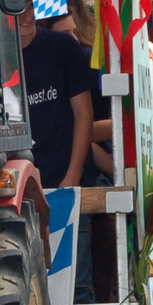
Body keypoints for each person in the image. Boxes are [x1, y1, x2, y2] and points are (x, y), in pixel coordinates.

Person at [19, 16, 95, 188]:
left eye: (30, 7)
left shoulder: (63, 46)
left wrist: (73, 176)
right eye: (16, 8)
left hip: (64, 178)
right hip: (17, 182)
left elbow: (84, 114)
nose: (25, 16)